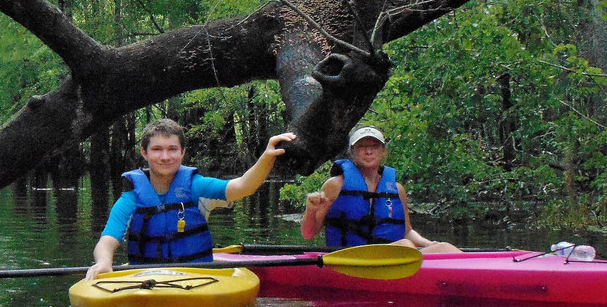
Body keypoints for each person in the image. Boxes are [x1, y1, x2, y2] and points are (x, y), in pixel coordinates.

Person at [86, 119, 297, 279]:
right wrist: (104, 261)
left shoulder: (197, 187)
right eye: (157, 149)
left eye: (172, 149)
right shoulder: (130, 199)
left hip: (197, 278)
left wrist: (267, 157)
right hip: (145, 280)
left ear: (183, 152)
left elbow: (242, 187)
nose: (165, 157)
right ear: (144, 152)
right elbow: (107, 240)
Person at [300, 125, 459, 252]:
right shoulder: (335, 185)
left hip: (391, 255)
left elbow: (407, 231)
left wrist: (428, 243)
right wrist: (311, 210)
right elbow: (308, 234)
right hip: (349, 257)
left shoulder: (397, 189)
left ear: (383, 152)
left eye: (374, 146)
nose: (368, 151)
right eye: (362, 146)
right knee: (405, 246)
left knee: (446, 248)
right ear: (352, 152)